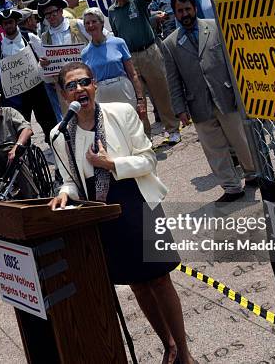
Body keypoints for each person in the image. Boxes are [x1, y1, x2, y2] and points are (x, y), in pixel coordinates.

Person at [49, 62, 197, 364]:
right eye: (71, 85)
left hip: (135, 201)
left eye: (84, 82)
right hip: (102, 215)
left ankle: (184, 353)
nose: (79, 89)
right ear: (63, 94)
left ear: (95, 86)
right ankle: (168, 345)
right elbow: (70, 180)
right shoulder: (60, 133)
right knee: (138, 284)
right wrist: (64, 194)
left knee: (158, 279)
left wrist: (111, 163)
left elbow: (148, 160)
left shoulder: (121, 113)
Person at [163, 0, 255, 203]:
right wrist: (180, 109)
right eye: (179, 11)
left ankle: (252, 174)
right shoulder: (170, 43)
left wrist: (241, 90)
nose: (184, 14)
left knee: (240, 140)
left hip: (226, 96)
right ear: (175, 14)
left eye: (187, 9)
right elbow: (173, 79)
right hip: (199, 105)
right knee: (215, 150)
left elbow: (233, 61)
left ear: (194, 8)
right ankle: (232, 187)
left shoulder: (215, 27)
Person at [108, 0, 181, 143]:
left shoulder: (136, 0)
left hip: (149, 52)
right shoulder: (112, 11)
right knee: (138, 99)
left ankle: (172, 129)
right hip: (130, 57)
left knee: (161, 92)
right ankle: (146, 136)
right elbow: (117, 35)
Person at [0, 9, 58, 146]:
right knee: (20, 129)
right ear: (2, 27)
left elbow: (45, 56)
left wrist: (43, 62)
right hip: (16, 95)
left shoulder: (30, 38)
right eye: (5, 24)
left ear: (16, 23)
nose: (8, 26)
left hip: (37, 89)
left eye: (10, 22)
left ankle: (58, 156)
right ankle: (27, 160)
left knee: (48, 123)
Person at [81, 8, 149, 133]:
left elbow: (133, 74)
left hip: (123, 89)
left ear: (101, 23)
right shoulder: (85, 53)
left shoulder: (118, 43)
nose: (91, 25)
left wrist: (140, 99)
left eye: (94, 21)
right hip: (101, 95)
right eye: (87, 23)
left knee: (133, 124)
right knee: (113, 129)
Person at [39, 0, 91, 122]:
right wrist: (44, 65)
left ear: (61, 11)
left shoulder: (77, 25)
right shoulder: (45, 37)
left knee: (92, 110)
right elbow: (44, 72)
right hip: (64, 88)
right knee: (73, 119)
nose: (51, 17)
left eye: (53, 12)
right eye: (47, 15)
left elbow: (96, 40)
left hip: (86, 81)